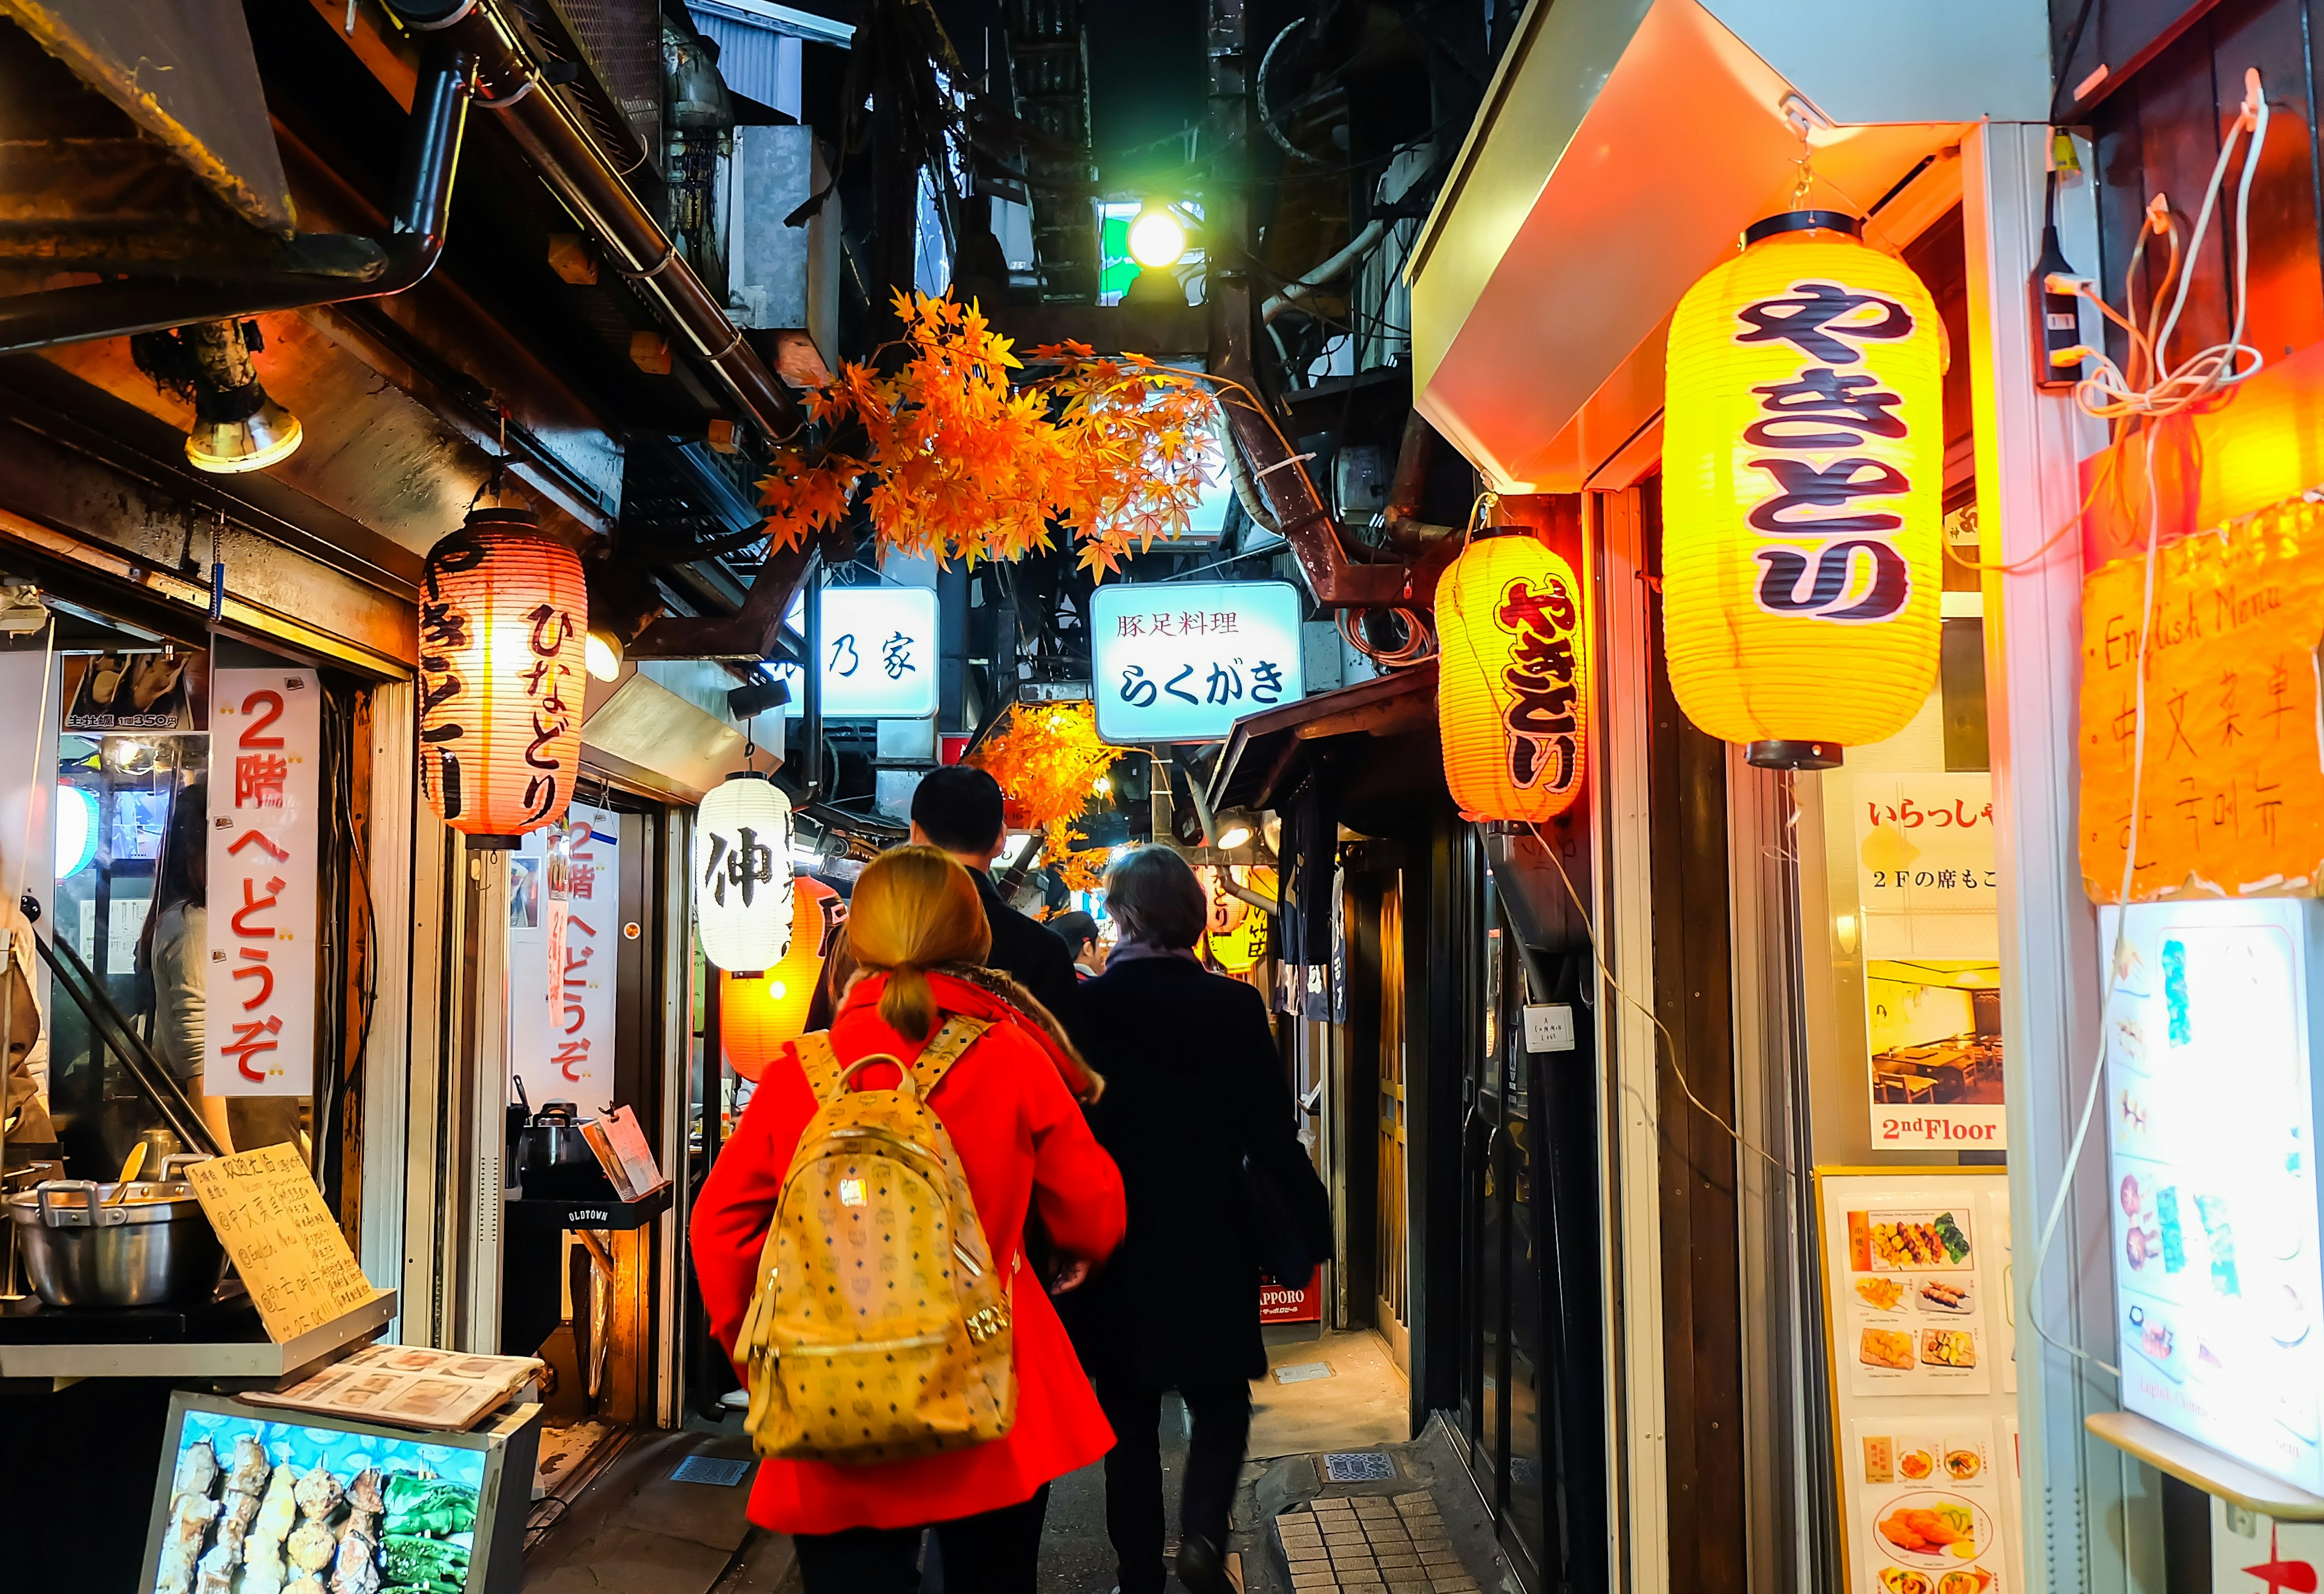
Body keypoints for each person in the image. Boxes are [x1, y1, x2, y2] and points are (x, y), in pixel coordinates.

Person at [691, 845, 1128, 1594]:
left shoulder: (802, 1069)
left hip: (828, 1404)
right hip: (990, 1388)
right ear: (972, 938)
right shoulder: (1009, 1052)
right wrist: (1081, 1251)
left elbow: (720, 1228)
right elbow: (1091, 1200)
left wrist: (764, 1354)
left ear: (854, 940)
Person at [1069, 845, 1325, 1594]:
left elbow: (1069, 1133)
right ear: (1190, 917)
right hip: (1213, 1233)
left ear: (1119, 916)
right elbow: (1271, 1133)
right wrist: (1308, 1221)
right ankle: (1205, 1538)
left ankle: (1139, 1575)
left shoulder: (1086, 1009)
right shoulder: (1234, 1007)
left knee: (1128, 1422)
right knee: (1220, 1402)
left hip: (1115, 1240)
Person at [907, 766, 1083, 1038]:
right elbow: (1067, 1064)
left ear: (916, 834)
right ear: (1001, 838)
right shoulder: (1044, 950)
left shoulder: (867, 937)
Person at [1049, 910, 1103, 979]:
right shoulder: (1097, 987)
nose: (1101, 952)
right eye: (1098, 944)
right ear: (1088, 949)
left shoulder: (1044, 984)